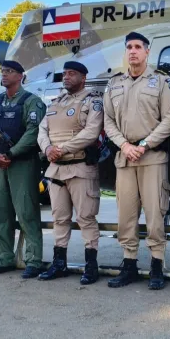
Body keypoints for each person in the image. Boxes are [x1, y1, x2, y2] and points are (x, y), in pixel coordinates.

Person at [103, 31, 170, 290]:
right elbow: (108, 121)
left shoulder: (161, 82)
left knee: (155, 213)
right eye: (129, 47)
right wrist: (124, 145)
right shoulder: (114, 84)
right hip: (124, 157)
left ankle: (157, 264)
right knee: (126, 214)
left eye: (138, 47)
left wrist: (144, 144)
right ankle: (130, 264)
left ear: (147, 51)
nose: (133, 51)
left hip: (152, 157)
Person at [37, 61, 104, 284]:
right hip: (56, 169)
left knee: (86, 217)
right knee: (60, 218)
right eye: (64, 74)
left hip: (80, 167)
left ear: (83, 77)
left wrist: (62, 149)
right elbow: (42, 129)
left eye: (71, 74)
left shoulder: (92, 101)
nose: (66, 77)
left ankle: (91, 265)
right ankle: (59, 263)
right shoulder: (56, 102)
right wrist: (47, 148)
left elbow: (92, 133)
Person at [0, 60, 46, 277]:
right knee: (0, 213)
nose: (4, 75)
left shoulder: (32, 102)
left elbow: (33, 132)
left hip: (23, 164)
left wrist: (11, 153)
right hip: (0, 165)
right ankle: (4, 259)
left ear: (21, 75)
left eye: (9, 71)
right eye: (2, 71)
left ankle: (33, 260)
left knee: (27, 212)